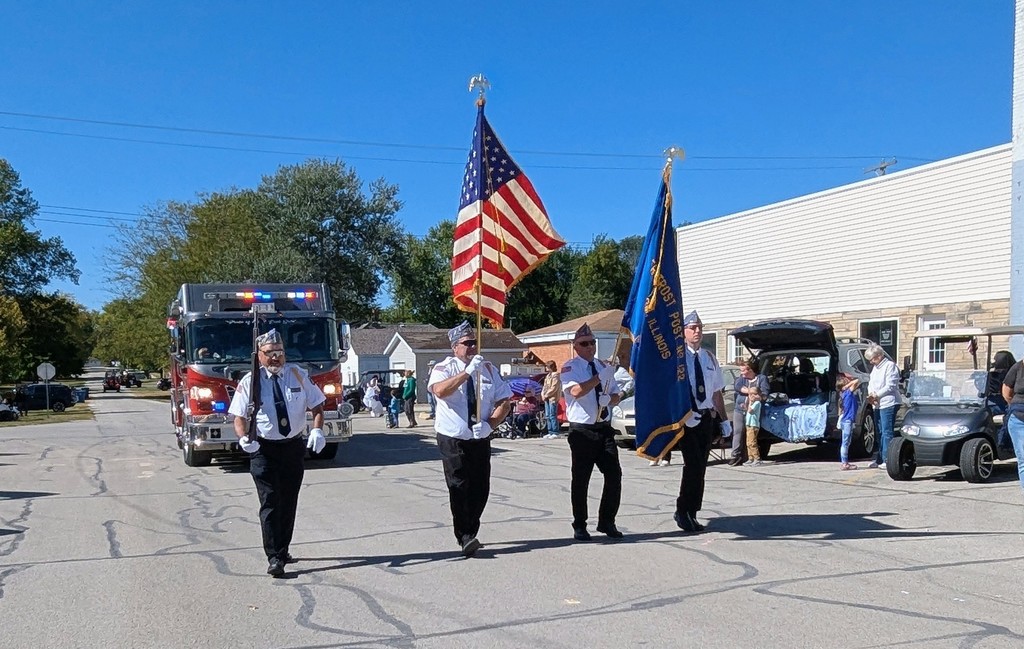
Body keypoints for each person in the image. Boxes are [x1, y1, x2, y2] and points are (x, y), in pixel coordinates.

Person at [228, 328, 326, 578]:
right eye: (269, 353)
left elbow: (317, 404)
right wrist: (243, 439)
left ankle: (283, 548)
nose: (275, 357)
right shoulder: (251, 381)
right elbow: (239, 415)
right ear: (259, 355)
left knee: (289, 500)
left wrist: (317, 430)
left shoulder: (298, 375)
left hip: (292, 447)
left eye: (279, 352)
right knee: (270, 500)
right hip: (263, 448)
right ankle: (274, 556)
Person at [429, 321, 513, 557]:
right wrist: (466, 373)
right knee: (459, 485)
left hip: (480, 436)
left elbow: (504, 401)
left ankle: (471, 530)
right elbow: (439, 391)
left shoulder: (487, 368)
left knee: (480, 487)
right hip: (453, 437)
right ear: (455, 347)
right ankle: (465, 535)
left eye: (474, 342)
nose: (472, 347)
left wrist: (490, 425)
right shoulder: (443, 368)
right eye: (467, 343)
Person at [562, 323, 624, 541]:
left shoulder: (602, 366)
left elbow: (617, 394)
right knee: (581, 479)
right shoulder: (571, 367)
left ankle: (607, 521)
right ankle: (580, 524)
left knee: (614, 474)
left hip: (604, 428)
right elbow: (576, 391)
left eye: (592, 343)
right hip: (582, 431)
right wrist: (599, 377)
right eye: (584, 344)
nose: (590, 347)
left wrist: (611, 400)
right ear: (576, 346)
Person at [675, 311, 730, 533]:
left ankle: (692, 512)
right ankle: (682, 510)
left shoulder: (709, 358)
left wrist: (724, 420)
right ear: (683, 331)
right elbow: (673, 390)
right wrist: (683, 413)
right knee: (693, 465)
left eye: (699, 327)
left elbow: (716, 392)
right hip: (687, 418)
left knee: (701, 468)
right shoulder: (678, 358)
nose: (697, 331)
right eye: (692, 327)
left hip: (706, 417)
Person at [865, 344, 900, 469]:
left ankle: (888, 458)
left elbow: (891, 385)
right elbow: (871, 382)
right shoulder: (876, 368)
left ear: (880, 356)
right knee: (878, 432)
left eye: (873, 359)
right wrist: (871, 394)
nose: (871, 362)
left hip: (888, 402)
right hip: (877, 404)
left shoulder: (890, 366)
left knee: (887, 431)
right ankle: (879, 458)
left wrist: (877, 395)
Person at [729, 359, 770, 467]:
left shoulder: (761, 379)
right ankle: (735, 455)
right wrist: (752, 391)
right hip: (740, 409)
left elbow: (764, 393)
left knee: (751, 435)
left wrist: (758, 396)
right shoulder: (740, 379)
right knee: (737, 432)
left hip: (754, 411)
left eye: (743, 371)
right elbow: (737, 387)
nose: (741, 373)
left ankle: (754, 457)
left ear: (750, 370)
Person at [1000, 358, 1024, 495]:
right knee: (1023, 458)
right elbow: (1006, 392)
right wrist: (1016, 406)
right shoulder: (1017, 367)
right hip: (1019, 419)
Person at [837, 373, 860, 470]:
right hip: (847, 421)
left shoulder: (842, 394)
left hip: (845, 420)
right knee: (845, 442)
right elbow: (858, 381)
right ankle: (844, 463)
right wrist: (849, 383)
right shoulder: (847, 392)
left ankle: (844, 462)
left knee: (846, 441)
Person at [743, 386, 764, 466]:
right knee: (748, 442)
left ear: (759, 395)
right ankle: (750, 458)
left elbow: (750, 411)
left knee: (752, 442)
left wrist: (750, 402)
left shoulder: (757, 403)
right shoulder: (752, 403)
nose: (752, 396)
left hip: (753, 425)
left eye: (754, 394)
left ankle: (757, 458)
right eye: (750, 394)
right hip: (749, 424)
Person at [541, 360, 562, 439]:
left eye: (547, 366)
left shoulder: (555, 375)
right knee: (547, 415)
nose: (546, 368)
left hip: (552, 398)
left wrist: (547, 394)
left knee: (552, 415)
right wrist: (543, 394)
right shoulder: (548, 376)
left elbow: (554, 387)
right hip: (546, 398)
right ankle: (550, 431)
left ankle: (555, 432)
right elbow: (544, 386)